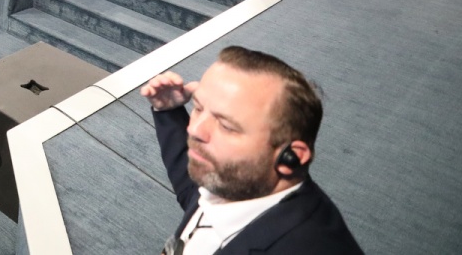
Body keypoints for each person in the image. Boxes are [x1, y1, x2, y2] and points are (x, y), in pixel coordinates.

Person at [140, 47, 363, 255]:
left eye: (226, 126)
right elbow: (194, 190)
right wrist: (168, 111)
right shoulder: (236, 179)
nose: (194, 129)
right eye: (198, 108)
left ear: (291, 157)